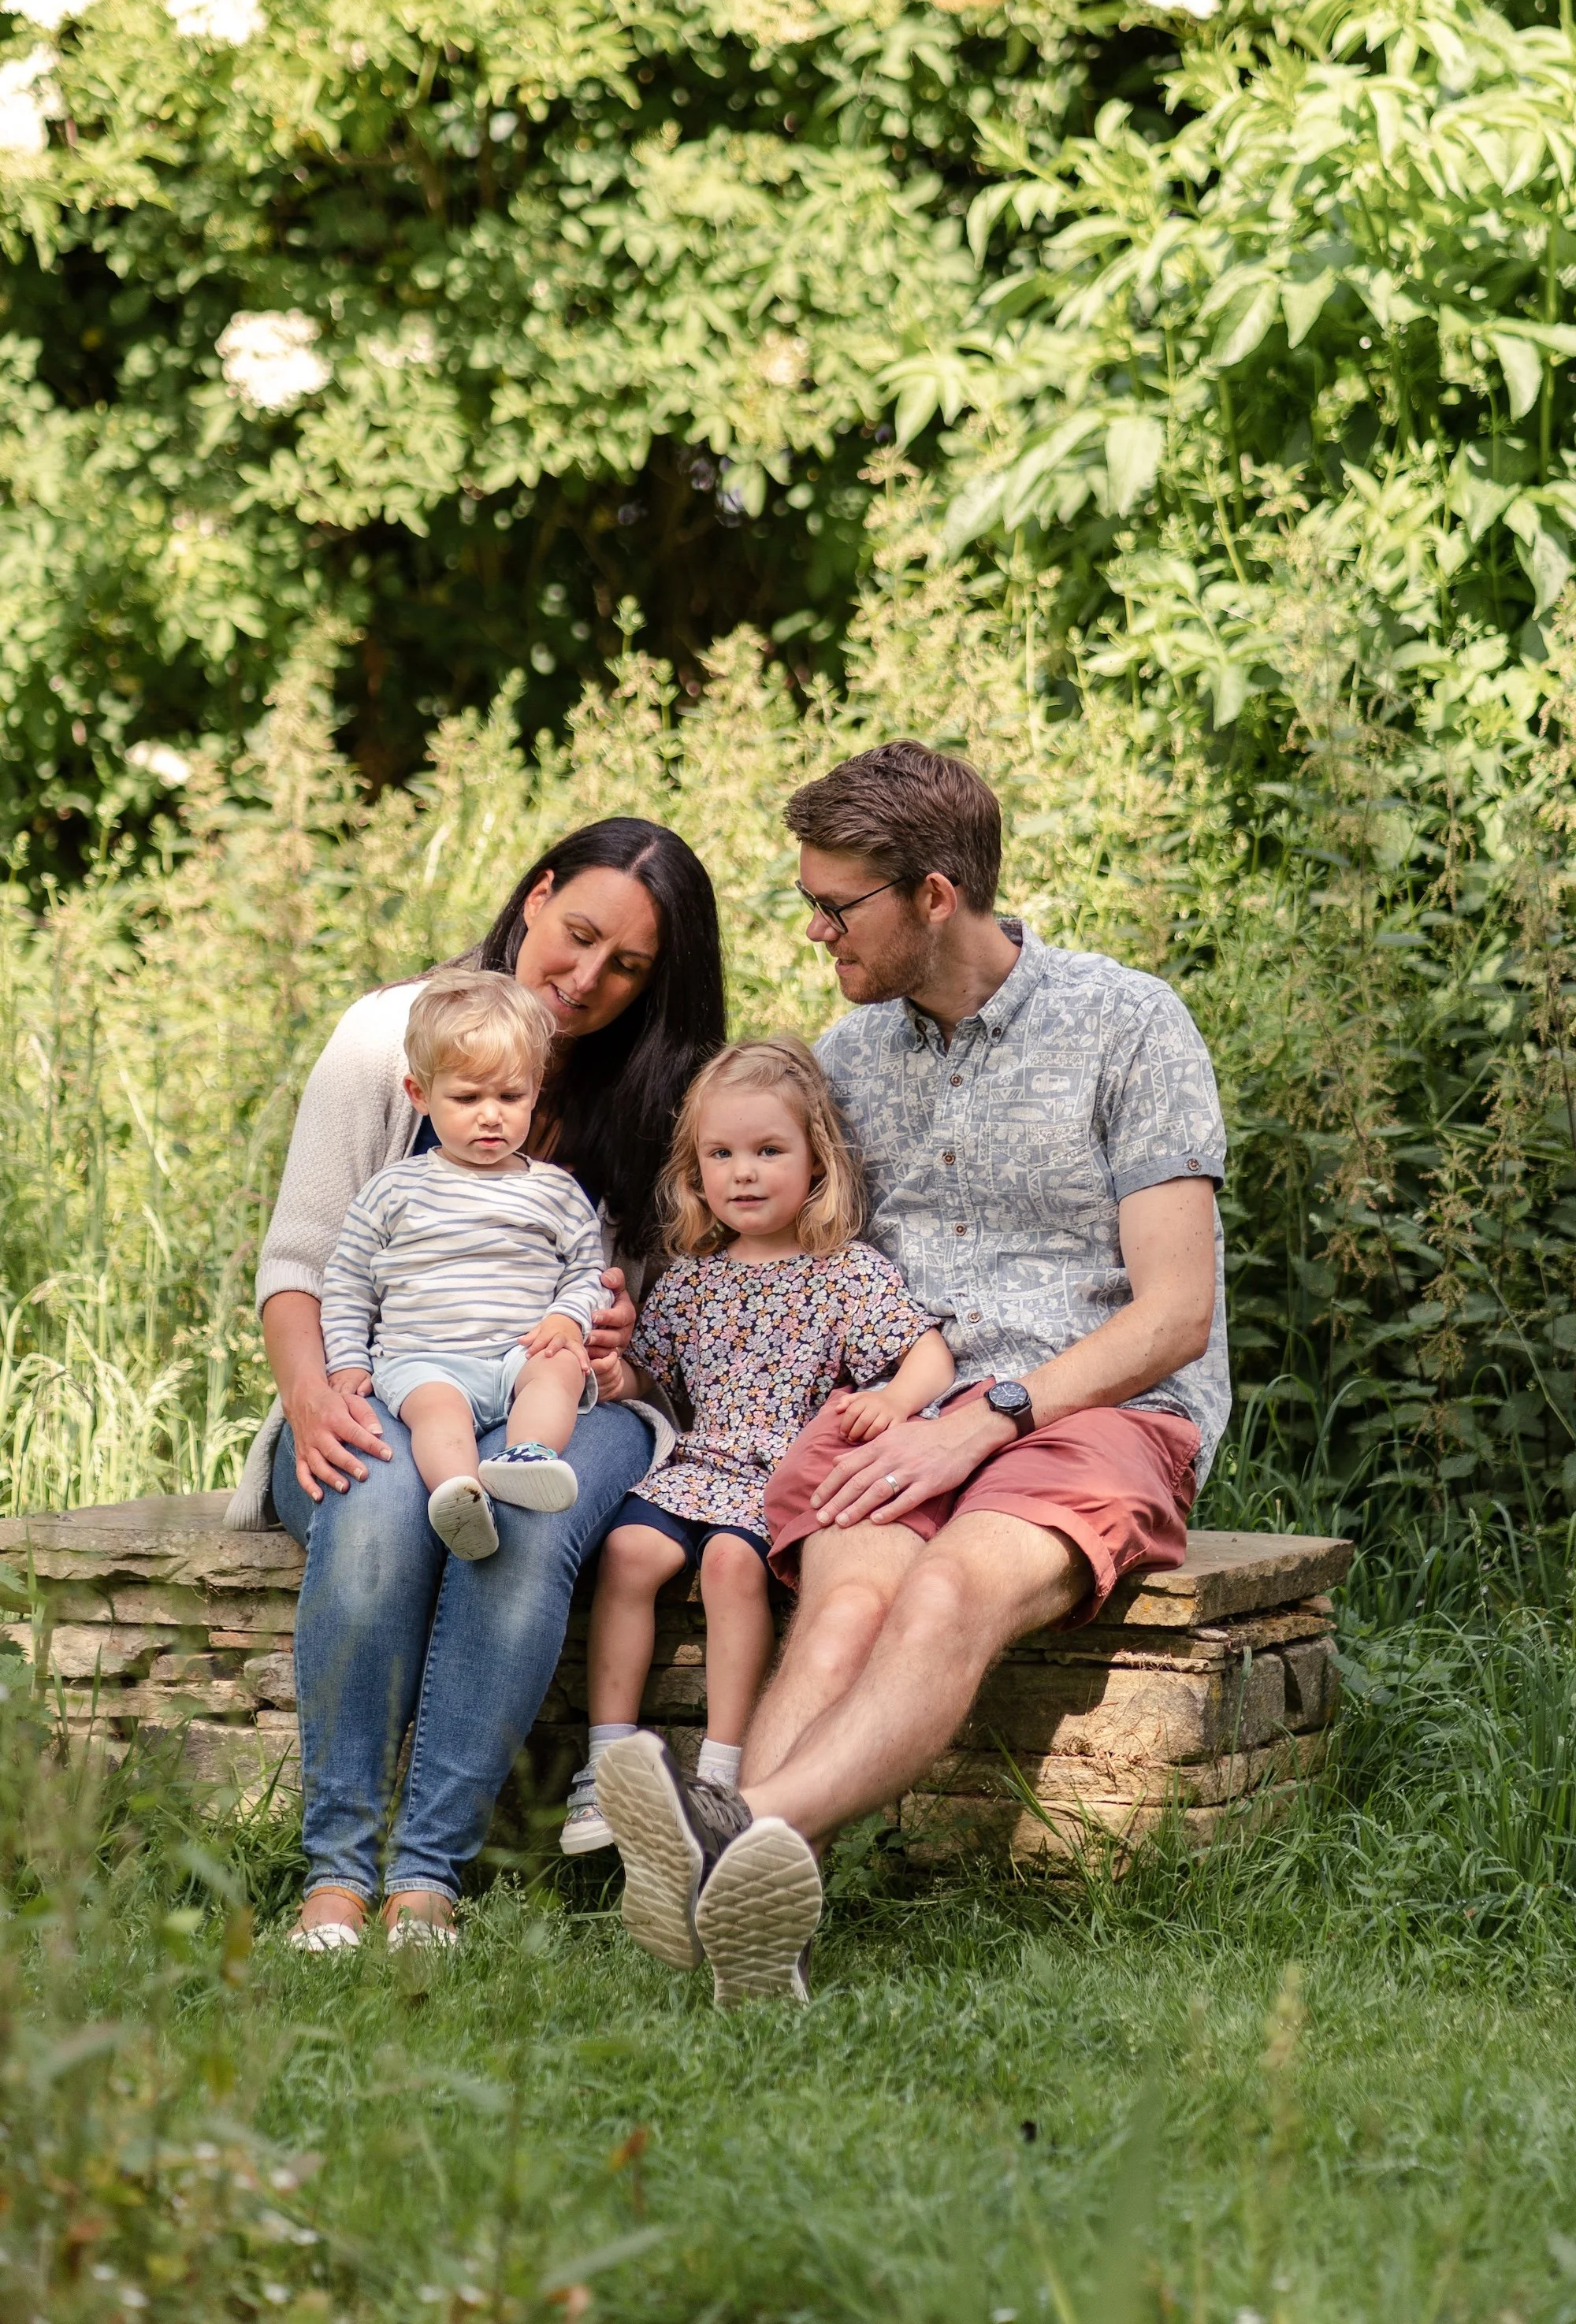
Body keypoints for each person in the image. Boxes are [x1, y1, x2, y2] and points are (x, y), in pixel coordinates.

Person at [595, 741, 1228, 2007]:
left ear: (937, 895)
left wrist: (990, 1415)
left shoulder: (1128, 1023)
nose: (817, 930)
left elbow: (1176, 1313)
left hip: (1092, 1408)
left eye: (839, 907)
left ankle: (727, 1828)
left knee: (945, 1597)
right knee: (836, 1613)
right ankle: (760, 1941)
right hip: (893, 1407)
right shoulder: (850, 1058)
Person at [224, 817, 726, 1954]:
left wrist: (617, 1349)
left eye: (628, 966)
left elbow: (669, 1324)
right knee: (381, 1501)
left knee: (521, 1521)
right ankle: (337, 1872)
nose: (587, 978)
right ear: (537, 895)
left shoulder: (663, 1092)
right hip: (390, 1376)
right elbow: (305, 1260)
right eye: (578, 933)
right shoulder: (388, 1040)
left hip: (564, 1395)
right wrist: (314, 1394)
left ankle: (427, 1880)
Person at [568, 1038, 953, 1910]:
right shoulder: (686, 1282)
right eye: (721, 1155)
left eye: (768, 1151)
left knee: (732, 1565)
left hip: (777, 1475)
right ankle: (603, 1757)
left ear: (816, 1159)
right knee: (627, 1555)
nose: (743, 1174)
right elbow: (655, 1380)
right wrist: (615, 1376)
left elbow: (926, 1356)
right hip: (695, 1462)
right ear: (694, 1169)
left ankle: (722, 1769)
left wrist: (894, 1405)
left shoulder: (843, 1272)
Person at [320, 972, 610, 1558]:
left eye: (510, 1097)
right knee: (437, 1415)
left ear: (535, 1092)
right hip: (425, 1357)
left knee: (560, 1370)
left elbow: (587, 1271)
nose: (490, 1117)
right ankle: (460, 1496)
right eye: (467, 1098)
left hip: (516, 1352)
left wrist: (567, 1320)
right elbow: (348, 1283)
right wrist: (347, 1362)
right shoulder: (393, 1191)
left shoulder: (554, 1192)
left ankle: (527, 1456)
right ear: (420, 1094)